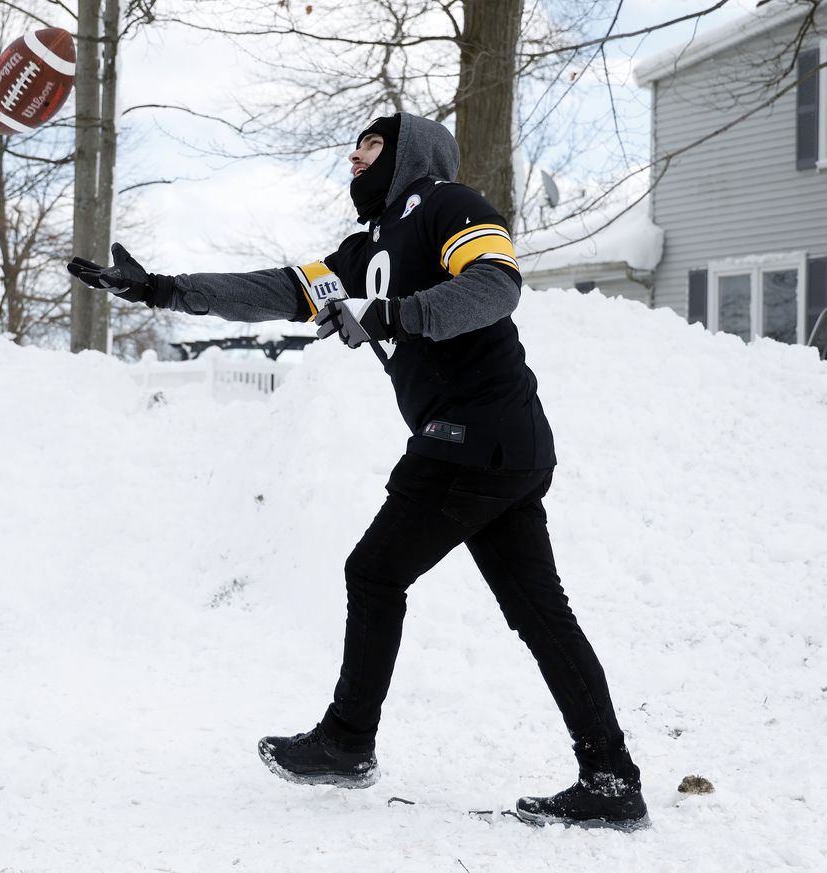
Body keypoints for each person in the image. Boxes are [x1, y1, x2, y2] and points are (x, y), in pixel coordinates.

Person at [67, 112, 647, 832]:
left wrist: (393, 315)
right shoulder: (364, 248)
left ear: (406, 154)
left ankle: (347, 740)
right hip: (499, 444)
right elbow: (279, 290)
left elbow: (496, 285)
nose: (353, 156)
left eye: (369, 145)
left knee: (375, 570)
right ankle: (612, 778)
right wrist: (162, 289)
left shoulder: (447, 205)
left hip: (475, 432)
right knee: (538, 614)